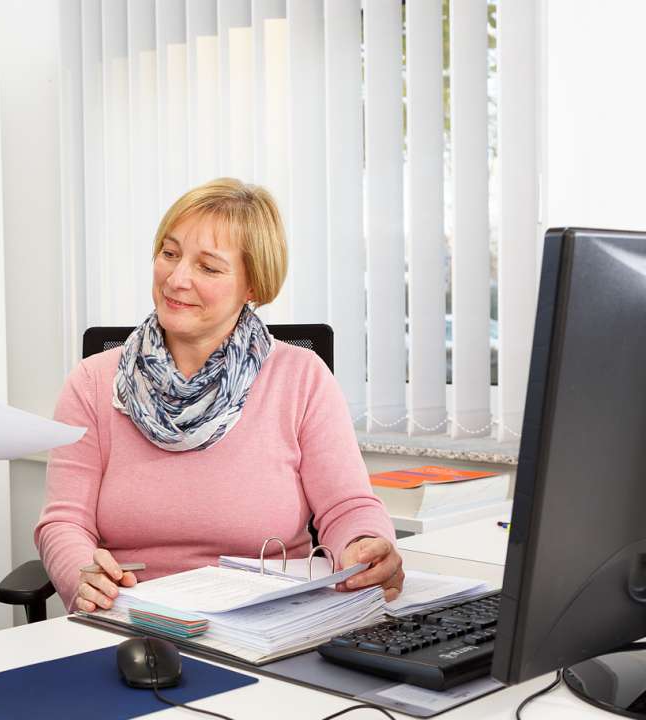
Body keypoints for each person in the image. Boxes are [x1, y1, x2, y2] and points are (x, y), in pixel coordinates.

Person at [35, 178, 404, 614]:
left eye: (208, 267)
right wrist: (81, 574)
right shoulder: (94, 382)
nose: (176, 279)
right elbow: (64, 520)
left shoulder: (301, 377)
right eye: (169, 254)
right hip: (137, 618)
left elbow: (347, 506)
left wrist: (364, 545)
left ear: (253, 286)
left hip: (271, 619)